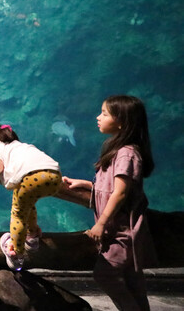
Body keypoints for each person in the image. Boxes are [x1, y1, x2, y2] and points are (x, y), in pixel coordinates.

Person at [63, 96, 156, 311]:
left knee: (105, 274)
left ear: (122, 121)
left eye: (104, 113)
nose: (98, 117)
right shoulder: (119, 150)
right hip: (118, 229)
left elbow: (121, 193)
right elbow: (112, 187)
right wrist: (86, 184)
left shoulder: (127, 154)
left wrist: (101, 223)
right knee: (133, 281)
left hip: (123, 231)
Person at [0, 124, 62, 270]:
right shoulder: (21, 146)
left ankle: (16, 253)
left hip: (32, 177)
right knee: (28, 205)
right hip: (55, 177)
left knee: (18, 213)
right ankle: (32, 236)